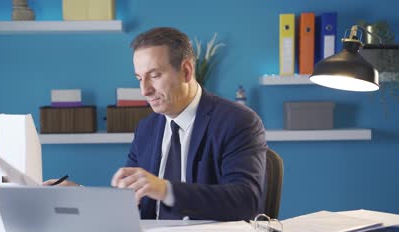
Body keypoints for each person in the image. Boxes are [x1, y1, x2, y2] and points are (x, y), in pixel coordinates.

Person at [44, 27, 267, 221]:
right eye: (140, 78)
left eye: (155, 75)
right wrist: (83, 196)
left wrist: (164, 189)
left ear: (186, 71)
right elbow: (129, 199)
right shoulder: (147, 129)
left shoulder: (238, 121)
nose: (145, 91)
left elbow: (246, 201)